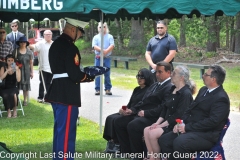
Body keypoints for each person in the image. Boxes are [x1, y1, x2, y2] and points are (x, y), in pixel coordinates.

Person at [44, 17, 95, 160]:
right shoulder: (70, 47)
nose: (80, 36)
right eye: (80, 33)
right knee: (67, 134)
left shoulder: (55, 44)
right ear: (74, 29)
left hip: (57, 92)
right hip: (67, 94)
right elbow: (74, 74)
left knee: (60, 132)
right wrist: (90, 76)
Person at [158, 65, 230, 160]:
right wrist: (181, 123)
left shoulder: (221, 98)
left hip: (206, 135)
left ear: (213, 79)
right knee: (164, 140)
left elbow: (212, 122)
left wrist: (186, 127)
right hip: (192, 128)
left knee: (180, 142)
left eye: (206, 74)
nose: (203, 76)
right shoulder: (203, 90)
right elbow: (190, 108)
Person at [114, 61, 173, 159]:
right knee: (119, 121)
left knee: (134, 125)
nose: (157, 74)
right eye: (156, 72)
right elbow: (143, 101)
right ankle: (126, 151)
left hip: (155, 117)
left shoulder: (169, 87)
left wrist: (146, 113)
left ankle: (138, 154)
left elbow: (163, 107)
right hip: (142, 113)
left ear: (168, 72)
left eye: (160, 72)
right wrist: (132, 110)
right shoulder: (155, 85)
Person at [143, 65, 196, 160]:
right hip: (166, 123)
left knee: (152, 133)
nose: (171, 75)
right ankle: (152, 157)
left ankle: (157, 158)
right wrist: (157, 123)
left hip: (175, 125)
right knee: (147, 130)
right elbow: (165, 108)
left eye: (174, 73)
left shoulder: (186, 94)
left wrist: (161, 125)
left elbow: (178, 115)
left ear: (181, 78)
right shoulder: (172, 89)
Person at [103, 68, 154, 153]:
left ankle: (122, 147)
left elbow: (142, 104)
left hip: (137, 112)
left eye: (142, 77)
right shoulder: (137, 89)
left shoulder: (149, 90)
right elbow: (130, 103)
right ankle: (112, 141)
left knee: (119, 121)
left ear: (147, 78)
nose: (139, 79)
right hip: (131, 110)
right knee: (110, 118)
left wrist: (131, 110)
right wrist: (123, 110)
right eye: (138, 76)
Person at [29, 30, 53, 103]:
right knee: (42, 83)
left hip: (51, 68)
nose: (48, 36)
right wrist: (27, 44)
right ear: (44, 35)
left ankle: (48, 98)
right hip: (43, 67)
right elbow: (34, 47)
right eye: (47, 34)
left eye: (50, 34)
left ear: (51, 35)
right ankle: (40, 97)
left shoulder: (54, 44)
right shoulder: (41, 43)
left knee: (49, 83)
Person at [92, 22, 114, 95]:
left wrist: (105, 51)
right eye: (100, 27)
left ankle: (108, 89)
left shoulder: (110, 36)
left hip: (107, 58)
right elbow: (94, 46)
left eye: (103, 27)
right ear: (98, 28)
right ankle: (97, 89)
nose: (102, 28)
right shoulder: (96, 37)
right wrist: (102, 50)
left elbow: (112, 45)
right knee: (97, 74)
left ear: (106, 27)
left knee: (107, 74)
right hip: (98, 58)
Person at [14, 36, 33, 106]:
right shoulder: (16, 51)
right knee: (17, 85)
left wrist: (32, 72)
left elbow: (31, 63)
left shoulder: (29, 52)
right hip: (18, 71)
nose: (23, 43)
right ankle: (17, 99)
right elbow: (12, 61)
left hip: (26, 71)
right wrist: (14, 69)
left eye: (24, 42)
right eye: (21, 42)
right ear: (19, 43)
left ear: (26, 43)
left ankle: (25, 100)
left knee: (26, 86)